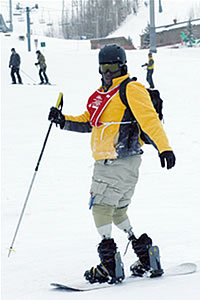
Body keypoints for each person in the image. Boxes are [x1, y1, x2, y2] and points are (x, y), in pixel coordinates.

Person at [48, 44, 176, 284]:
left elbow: (149, 120)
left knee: (100, 207)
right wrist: (63, 120)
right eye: (104, 69)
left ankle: (109, 266)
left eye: (113, 68)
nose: (108, 73)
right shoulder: (100, 95)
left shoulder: (131, 89)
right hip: (119, 163)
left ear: (123, 66)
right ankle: (146, 255)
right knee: (118, 212)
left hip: (116, 160)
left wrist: (164, 147)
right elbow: (89, 122)